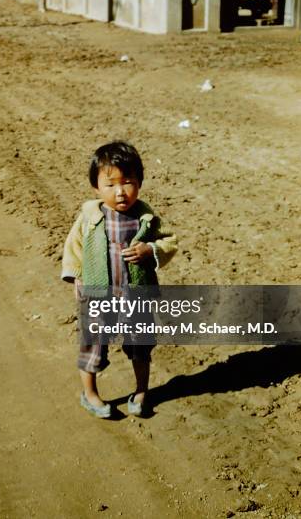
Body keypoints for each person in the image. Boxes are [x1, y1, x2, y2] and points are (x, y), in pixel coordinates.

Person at [62, 141, 177, 418]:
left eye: (127, 182)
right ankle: (90, 394)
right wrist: (77, 276)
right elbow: (74, 247)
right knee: (94, 344)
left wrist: (150, 249)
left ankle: (140, 391)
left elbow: (168, 242)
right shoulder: (90, 217)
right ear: (96, 187)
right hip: (98, 295)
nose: (120, 192)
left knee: (140, 344)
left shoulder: (145, 218)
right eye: (110, 184)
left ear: (139, 183)